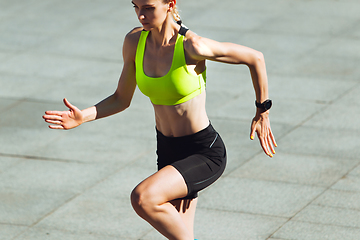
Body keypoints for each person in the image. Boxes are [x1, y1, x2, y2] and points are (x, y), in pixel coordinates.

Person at [43, 0, 277, 239]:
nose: (140, 16)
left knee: (143, 197)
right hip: (167, 150)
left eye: (148, 7)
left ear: (170, 4)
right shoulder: (134, 42)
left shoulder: (191, 45)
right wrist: (84, 117)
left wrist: (263, 111)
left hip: (202, 151)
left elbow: (255, 58)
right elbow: (121, 99)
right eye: (136, 7)